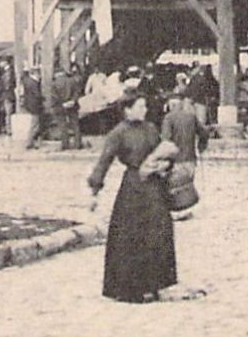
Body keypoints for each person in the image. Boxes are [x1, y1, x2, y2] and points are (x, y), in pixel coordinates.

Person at [87, 91, 179, 303]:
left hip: (155, 187)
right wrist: (95, 188)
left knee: (159, 230)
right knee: (132, 236)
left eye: (145, 106)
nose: (144, 110)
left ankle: (157, 283)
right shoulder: (118, 133)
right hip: (133, 188)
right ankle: (130, 288)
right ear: (127, 110)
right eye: (139, 107)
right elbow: (104, 162)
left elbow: (163, 152)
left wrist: (164, 164)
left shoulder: (151, 129)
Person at [161, 83, 209, 215]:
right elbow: (204, 133)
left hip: (175, 160)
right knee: (187, 185)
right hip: (190, 158)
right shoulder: (191, 117)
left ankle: (177, 211)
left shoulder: (168, 118)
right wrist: (202, 146)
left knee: (174, 187)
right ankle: (187, 209)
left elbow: (166, 139)